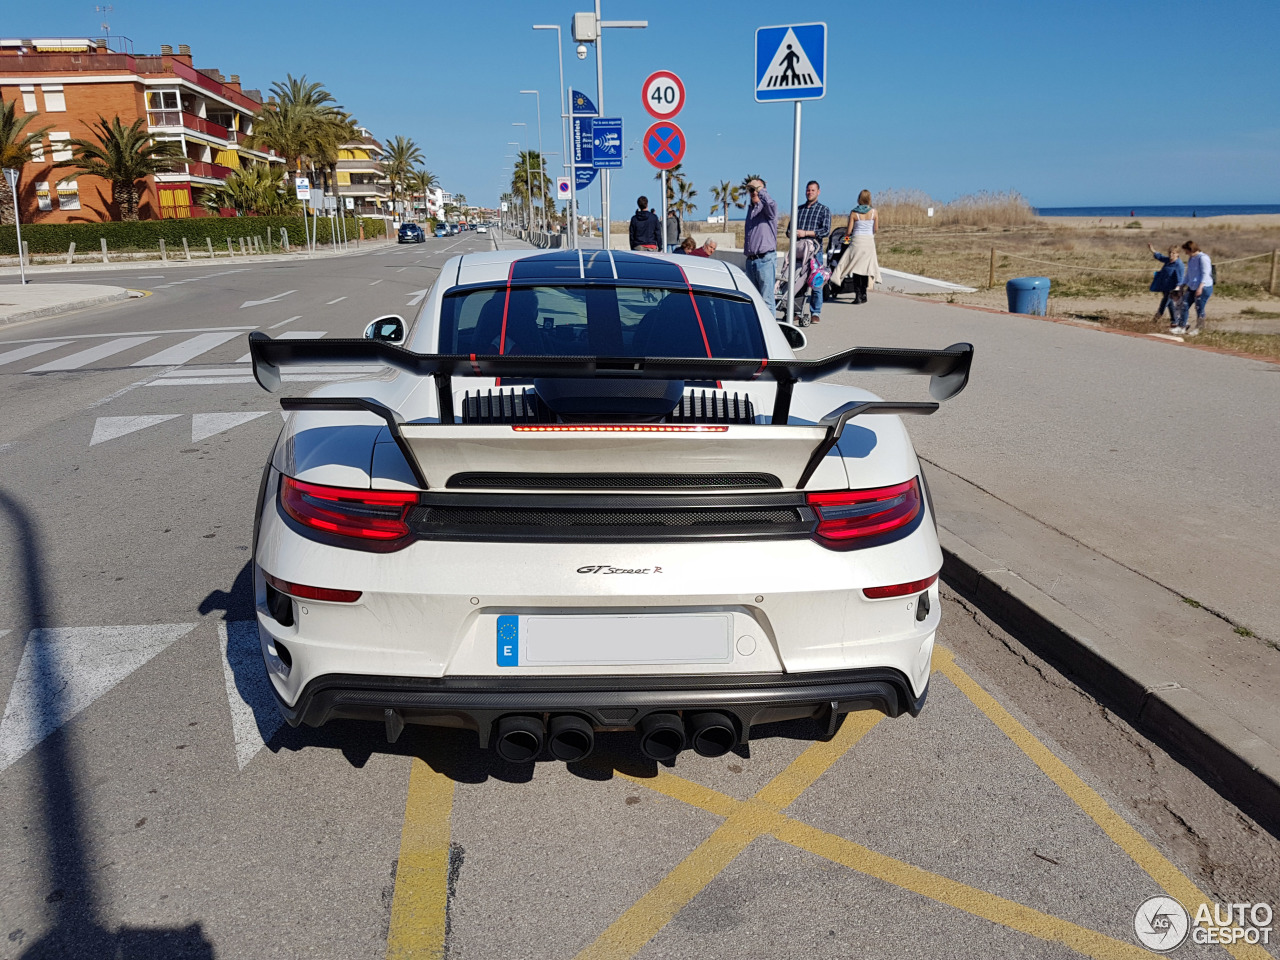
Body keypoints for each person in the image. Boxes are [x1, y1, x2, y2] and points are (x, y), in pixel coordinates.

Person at [831, 189, 880, 303]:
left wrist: (846, 239)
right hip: (868, 242)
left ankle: (858, 295)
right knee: (865, 269)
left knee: (856, 268)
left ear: (859, 199)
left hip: (857, 241)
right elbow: (875, 229)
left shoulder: (854, 213)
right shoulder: (874, 212)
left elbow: (849, 231)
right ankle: (864, 294)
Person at [792, 180, 831, 322]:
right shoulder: (799, 210)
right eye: (808, 190)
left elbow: (825, 230)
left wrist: (806, 233)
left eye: (813, 190)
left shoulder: (823, 210)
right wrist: (793, 233)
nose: (810, 192)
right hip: (799, 252)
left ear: (818, 192)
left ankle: (815, 312)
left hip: (815, 252)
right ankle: (796, 311)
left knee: (816, 283)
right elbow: (789, 230)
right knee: (798, 282)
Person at [742, 177, 778, 301]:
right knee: (753, 300)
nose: (754, 192)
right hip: (751, 261)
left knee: (767, 300)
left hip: (765, 260)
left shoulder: (767, 209)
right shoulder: (751, 209)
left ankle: (768, 321)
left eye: (756, 189)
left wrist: (760, 189)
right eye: (751, 189)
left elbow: (771, 205)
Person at [1173, 240, 1213, 336]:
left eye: (1186, 250)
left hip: (1203, 287)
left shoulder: (1203, 258)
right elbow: (1188, 274)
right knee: (1184, 305)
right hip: (1192, 286)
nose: (1186, 253)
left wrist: (1200, 287)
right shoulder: (1191, 259)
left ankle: (1199, 328)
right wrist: (1182, 285)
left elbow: (1205, 273)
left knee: (1199, 308)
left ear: (1191, 249)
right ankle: (1181, 327)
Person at [1147, 243, 1184, 324]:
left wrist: (1177, 289)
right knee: (1170, 305)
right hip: (1165, 286)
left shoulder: (1179, 264)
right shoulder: (1168, 261)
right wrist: (1152, 250)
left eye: (1173, 253)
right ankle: (1174, 321)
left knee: (1164, 303)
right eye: (1170, 253)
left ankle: (1155, 319)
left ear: (1177, 254)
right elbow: (1160, 257)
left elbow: (1180, 278)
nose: (1171, 255)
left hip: (1172, 289)